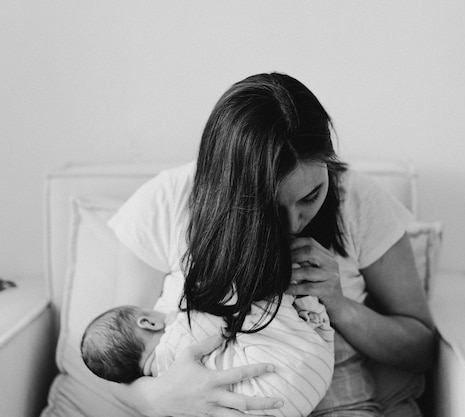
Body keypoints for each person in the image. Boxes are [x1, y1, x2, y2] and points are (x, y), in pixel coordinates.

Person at [107, 72, 436, 417]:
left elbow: (420, 348)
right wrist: (158, 397)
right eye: (273, 210)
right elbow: (116, 356)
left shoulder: (359, 201)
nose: (295, 223)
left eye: (311, 196)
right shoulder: (166, 201)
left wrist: (339, 304)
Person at [80, 294, 334, 417]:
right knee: (254, 305)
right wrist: (187, 305)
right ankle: (308, 315)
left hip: (282, 406)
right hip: (284, 376)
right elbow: (215, 313)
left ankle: (312, 320)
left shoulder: (162, 376)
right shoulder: (177, 337)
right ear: (148, 322)